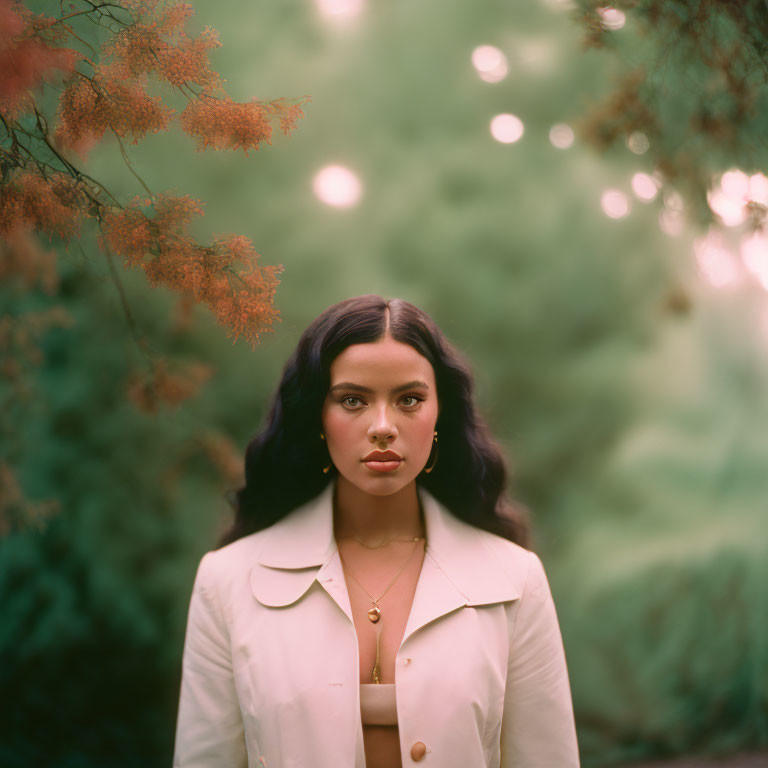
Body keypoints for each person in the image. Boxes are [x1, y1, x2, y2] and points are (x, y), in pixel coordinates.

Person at [173, 294, 580, 768]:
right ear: (317, 417)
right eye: (352, 400)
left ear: (439, 414)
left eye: (409, 399)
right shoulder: (227, 582)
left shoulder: (515, 581)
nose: (383, 426)